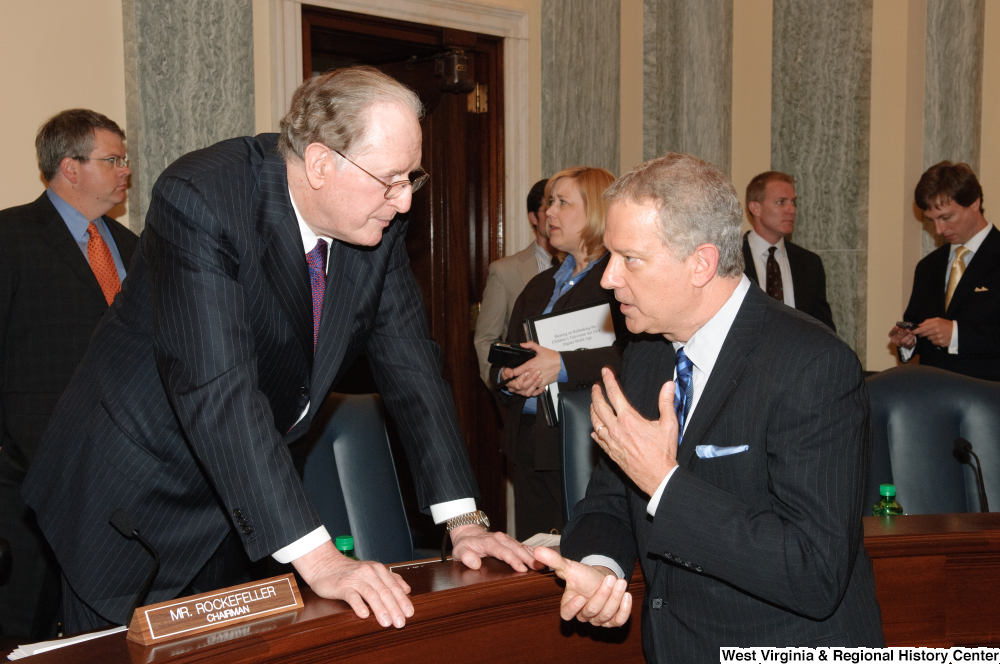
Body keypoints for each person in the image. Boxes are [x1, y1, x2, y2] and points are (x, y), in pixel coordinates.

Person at [20, 67, 538, 636]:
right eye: (390, 179)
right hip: (131, 492)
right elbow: (217, 387)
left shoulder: (374, 223)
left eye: (411, 177)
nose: (405, 201)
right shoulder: (201, 196)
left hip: (248, 500)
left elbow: (413, 368)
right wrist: (320, 560)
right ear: (320, 163)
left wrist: (464, 519)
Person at [534, 153, 883, 662]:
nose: (608, 279)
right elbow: (611, 497)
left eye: (630, 258)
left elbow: (815, 571)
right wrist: (601, 567)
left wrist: (665, 483)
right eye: (610, 255)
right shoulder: (649, 352)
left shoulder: (813, 365)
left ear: (701, 263)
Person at [0, 109, 138, 639]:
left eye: (124, 160)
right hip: (28, 478)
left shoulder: (133, 248)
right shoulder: (12, 237)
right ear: (70, 167)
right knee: (23, 630)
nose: (126, 170)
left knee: (100, 634)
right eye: (113, 159)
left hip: (120, 477)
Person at [491, 167, 628, 539]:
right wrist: (506, 379)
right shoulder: (538, 286)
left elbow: (632, 358)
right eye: (549, 202)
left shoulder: (617, 284)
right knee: (536, 557)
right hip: (529, 443)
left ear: (597, 211)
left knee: (582, 552)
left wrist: (563, 365)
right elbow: (507, 353)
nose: (548, 212)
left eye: (562, 203)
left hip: (583, 448)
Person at [889, 161, 1000, 381]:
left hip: (989, 399)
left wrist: (956, 335)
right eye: (931, 221)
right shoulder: (928, 267)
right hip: (933, 396)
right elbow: (917, 325)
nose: (939, 230)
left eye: (946, 217)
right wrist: (909, 341)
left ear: (974, 203)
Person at [474, 179, 555, 385]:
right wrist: (501, 382)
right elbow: (486, 340)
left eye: (561, 205)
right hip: (523, 390)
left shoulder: (580, 266)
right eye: (549, 207)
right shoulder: (504, 271)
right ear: (533, 217)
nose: (555, 213)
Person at [742, 171, 836, 330]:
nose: (791, 210)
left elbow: (824, 330)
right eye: (781, 202)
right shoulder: (727, 258)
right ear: (755, 208)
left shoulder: (810, 263)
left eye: (793, 202)